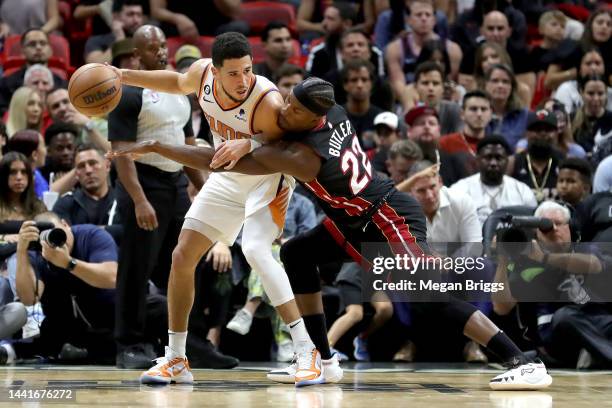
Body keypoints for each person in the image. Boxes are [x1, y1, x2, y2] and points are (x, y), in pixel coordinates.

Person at [110, 77, 553, 390]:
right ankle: (323, 361)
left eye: (294, 110)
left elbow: (214, 160)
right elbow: (283, 114)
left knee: (426, 296)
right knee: (300, 254)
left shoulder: (303, 157)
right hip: (352, 218)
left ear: (312, 117)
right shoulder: (329, 108)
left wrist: (155, 147)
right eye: (287, 101)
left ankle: (522, 361)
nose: (285, 110)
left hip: (386, 217)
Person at [108, 31, 335, 386]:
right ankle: (177, 358)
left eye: (247, 70)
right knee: (182, 256)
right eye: (233, 73)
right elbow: (177, 81)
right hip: (226, 174)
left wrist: (248, 143)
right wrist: (124, 75)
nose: (243, 80)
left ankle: (308, 353)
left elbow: (291, 151)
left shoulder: (268, 103)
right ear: (214, 71)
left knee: (257, 250)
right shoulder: (200, 75)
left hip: (268, 176)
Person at [107, 25, 236, 370]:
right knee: (136, 269)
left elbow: (188, 144)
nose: (161, 52)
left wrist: (206, 188)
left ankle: (189, 340)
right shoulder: (130, 93)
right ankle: (129, 344)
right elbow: (120, 152)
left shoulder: (181, 89)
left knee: (188, 260)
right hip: (142, 183)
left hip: (175, 183)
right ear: (137, 55)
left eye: (163, 45)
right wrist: (138, 200)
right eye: (152, 48)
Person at [450, 135, 537, 225]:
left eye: (498, 158)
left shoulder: (522, 191)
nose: (493, 163)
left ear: (507, 160)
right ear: (477, 160)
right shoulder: (459, 190)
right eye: (488, 157)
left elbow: (532, 226)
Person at [52, 144, 122, 243]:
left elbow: (131, 232)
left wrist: (80, 231)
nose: (88, 170)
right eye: (81, 166)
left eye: (93, 163)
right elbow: (62, 237)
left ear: (107, 166)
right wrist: (108, 230)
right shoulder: (65, 204)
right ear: (76, 174)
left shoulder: (122, 200)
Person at [0, 29, 67, 115]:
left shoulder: (63, 85)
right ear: (22, 51)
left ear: (50, 50)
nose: (38, 47)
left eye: (43, 43)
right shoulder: (6, 84)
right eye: (32, 44)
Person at [508, 110, 565, 203]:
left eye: (548, 130)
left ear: (556, 133)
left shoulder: (564, 162)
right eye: (537, 130)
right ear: (527, 133)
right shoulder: (513, 163)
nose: (542, 134)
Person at [440, 90, 492, 176]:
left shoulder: (497, 145)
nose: (479, 114)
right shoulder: (445, 143)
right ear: (462, 114)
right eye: (473, 109)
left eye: (484, 109)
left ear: (490, 114)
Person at [484, 63, 529, 150]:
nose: (500, 85)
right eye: (495, 81)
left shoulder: (524, 115)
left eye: (505, 82)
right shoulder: (478, 112)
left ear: (512, 87)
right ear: (486, 84)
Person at [5, 130, 48, 198]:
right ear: (34, 155)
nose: (46, 151)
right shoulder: (17, 183)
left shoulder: (36, 174)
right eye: (44, 146)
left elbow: (47, 192)